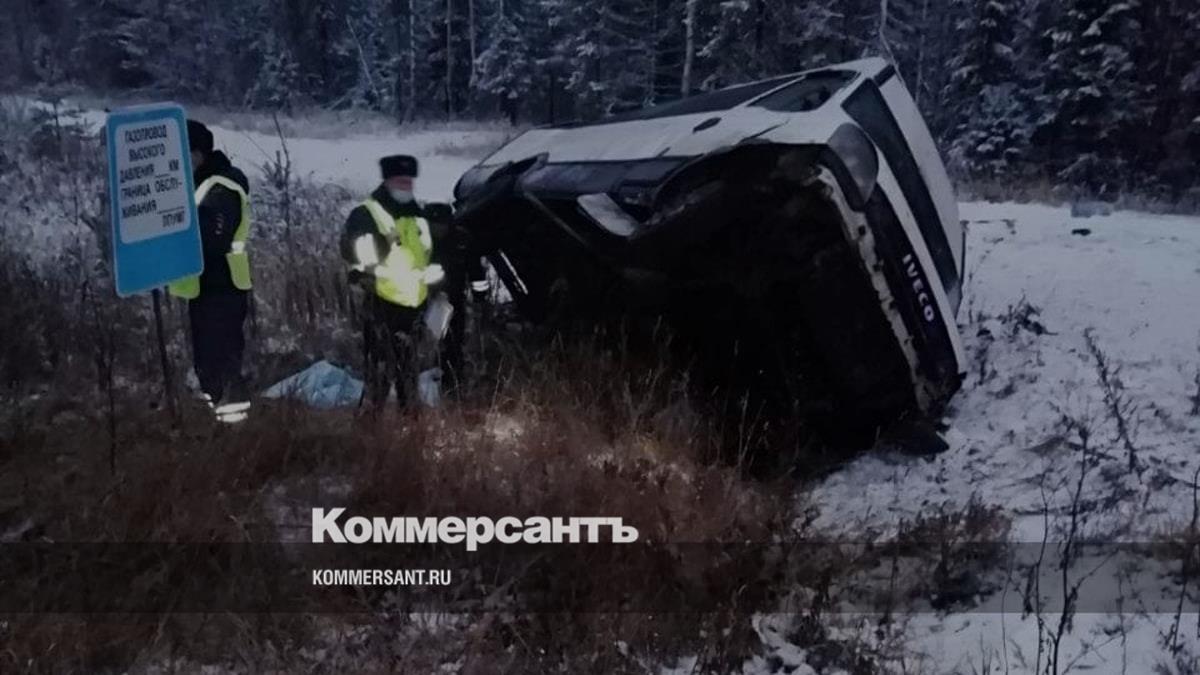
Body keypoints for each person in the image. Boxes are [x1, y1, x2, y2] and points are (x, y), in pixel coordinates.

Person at [340, 155, 444, 411]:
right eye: (400, 181)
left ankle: (409, 426)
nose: (405, 186)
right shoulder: (367, 214)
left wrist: (436, 290)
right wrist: (384, 241)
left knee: (408, 375)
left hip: (415, 306)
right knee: (379, 375)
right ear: (387, 181)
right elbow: (355, 254)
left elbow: (427, 256)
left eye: (409, 181)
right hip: (381, 304)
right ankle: (372, 427)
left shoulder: (418, 217)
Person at [168, 120, 254, 424]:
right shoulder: (201, 184)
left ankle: (235, 433)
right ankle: (216, 424)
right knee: (208, 363)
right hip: (206, 287)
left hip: (222, 286)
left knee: (222, 363)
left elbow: (211, 238)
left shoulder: (222, 188)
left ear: (197, 153)